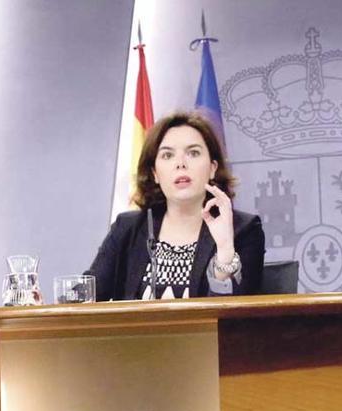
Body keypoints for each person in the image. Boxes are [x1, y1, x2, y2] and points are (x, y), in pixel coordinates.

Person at [87, 112, 265, 300]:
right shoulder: (128, 228)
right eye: (167, 155)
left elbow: (237, 318)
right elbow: (88, 297)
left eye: (193, 153)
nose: (180, 164)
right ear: (155, 173)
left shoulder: (243, 229)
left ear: (213, 168)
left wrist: (225, 253)